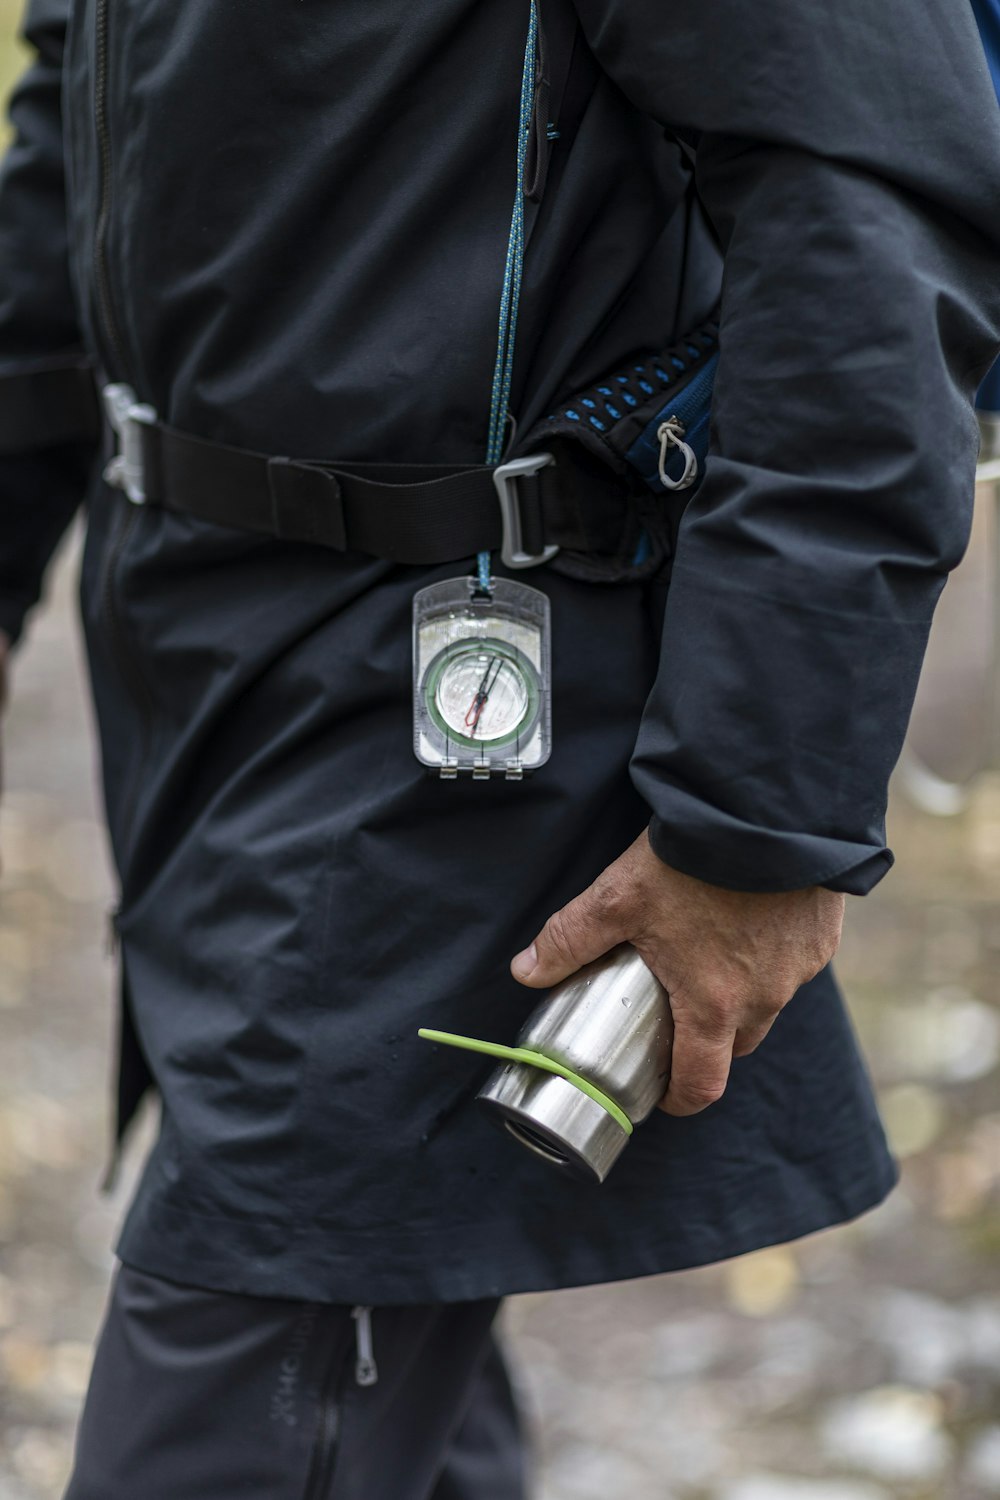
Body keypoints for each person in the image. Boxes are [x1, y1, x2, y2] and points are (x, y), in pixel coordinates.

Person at [0, 0, 998, 1494]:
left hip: (454, 712)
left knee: (255, 1378)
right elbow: (78, 109)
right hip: (203, 660)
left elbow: (868, 224)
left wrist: (757, 824)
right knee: (393, 1359)